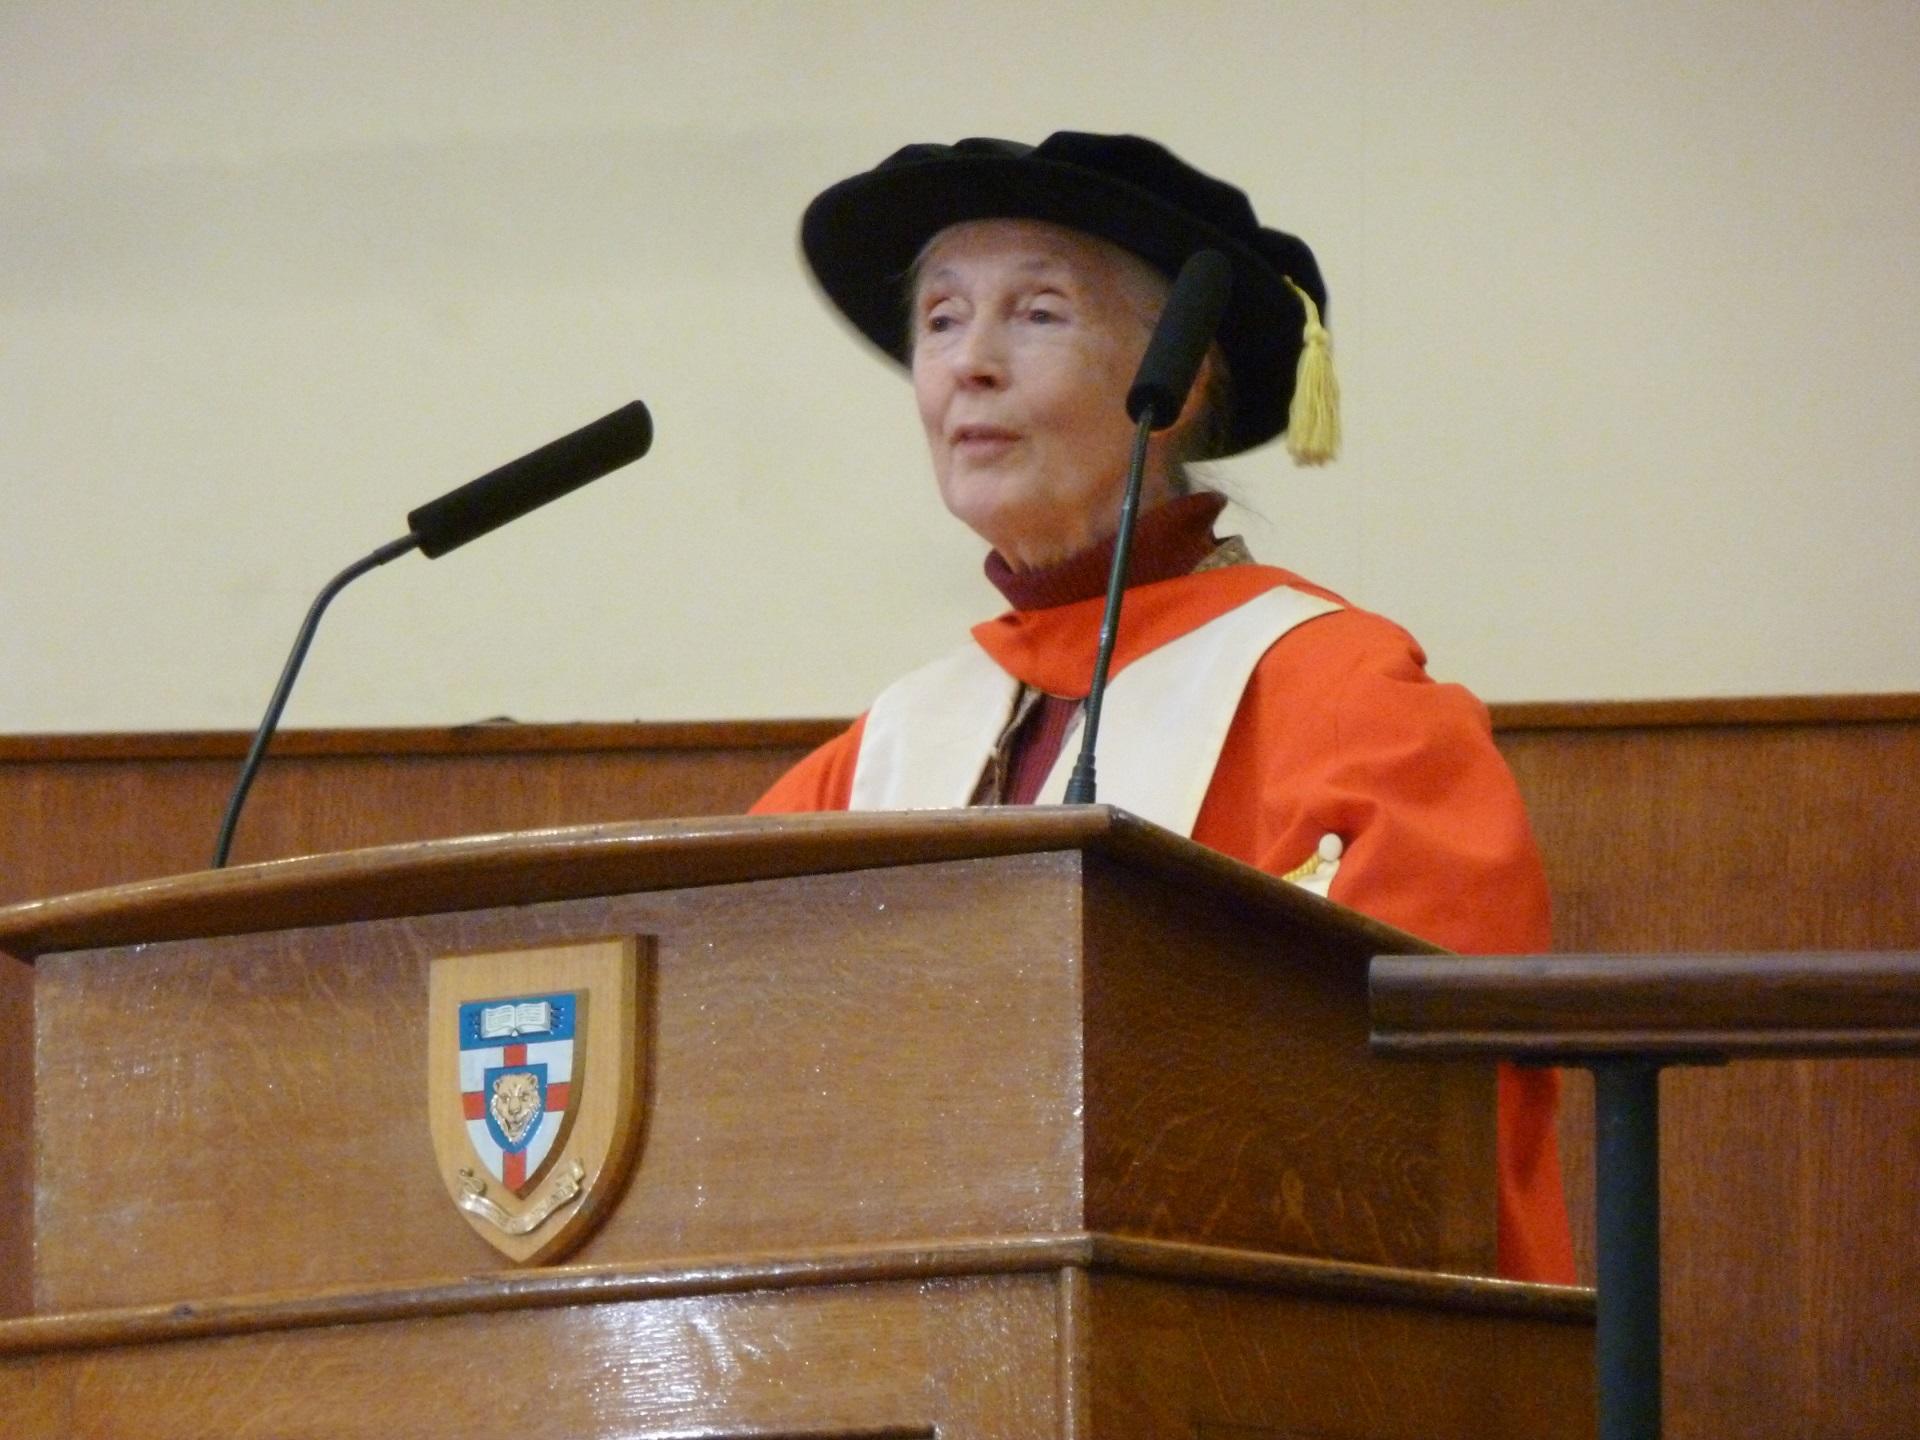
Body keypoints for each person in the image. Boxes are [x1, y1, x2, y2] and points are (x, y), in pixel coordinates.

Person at [753, 131, 1576, 1285]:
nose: (968, 365)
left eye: (1036, 313)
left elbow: (1420, 1129)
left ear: (1177, 382)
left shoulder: (1347, 705)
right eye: (939, 319)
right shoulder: (880, 751)